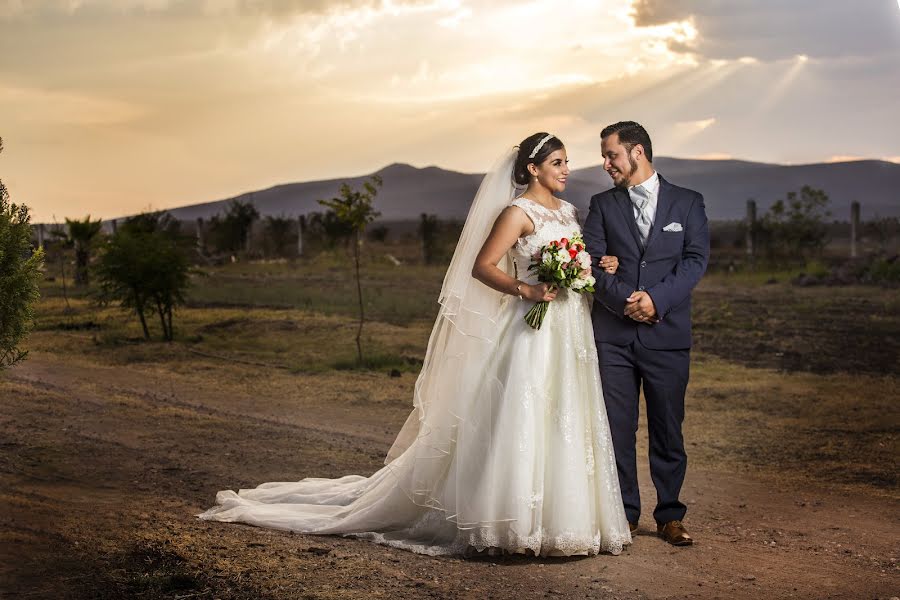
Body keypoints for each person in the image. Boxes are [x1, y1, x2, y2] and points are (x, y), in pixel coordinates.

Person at [198, 133, 632, 557]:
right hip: (530, 328)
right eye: (558, 163)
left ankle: (567, 519)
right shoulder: (516, 213)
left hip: (569, 329)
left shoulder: (571, 212)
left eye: (567, 162)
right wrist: (525, 289)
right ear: (533, 169)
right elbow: (481, 267)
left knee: (566, 415)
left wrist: (596, 264)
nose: (567, 170)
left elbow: (582, 258)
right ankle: (514, 520)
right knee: (526, 412)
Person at [582, 121, 710, 546]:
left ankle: (670, 515)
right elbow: (593, 263)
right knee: (617, 428)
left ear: (637, 152)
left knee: (668, 427)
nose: (605, 164)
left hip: (667, 334)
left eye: (611, 155)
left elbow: (694, 261)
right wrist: (624, 302)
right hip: (613, 338)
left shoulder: (688, 203)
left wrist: (655, 300)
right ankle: (625, 514)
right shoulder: (601, 205)